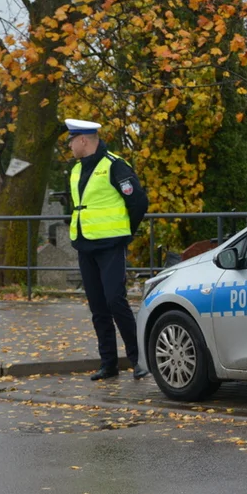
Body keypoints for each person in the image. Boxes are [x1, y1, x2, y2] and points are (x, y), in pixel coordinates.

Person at [65, 119, 151, 381]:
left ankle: (139, 360)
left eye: (71, 141)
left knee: (116, 301)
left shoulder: (114, 165)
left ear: (83, 140)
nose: (69, 146)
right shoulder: (76, 169)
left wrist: (125, 233)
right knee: (98, 306)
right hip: (85, 244)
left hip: (110, 245)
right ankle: (109, 363)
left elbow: (138, 202)